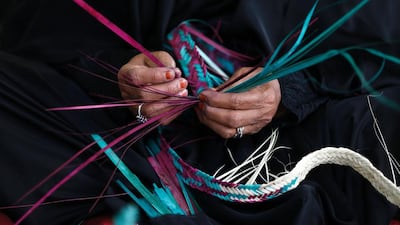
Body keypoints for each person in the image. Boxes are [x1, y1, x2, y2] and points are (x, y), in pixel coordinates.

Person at [0, 0, 399, 224]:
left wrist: (288, 88)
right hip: (120, 144)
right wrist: (122, 74)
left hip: (309, 150)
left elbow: (376, 45)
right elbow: (46, 35)